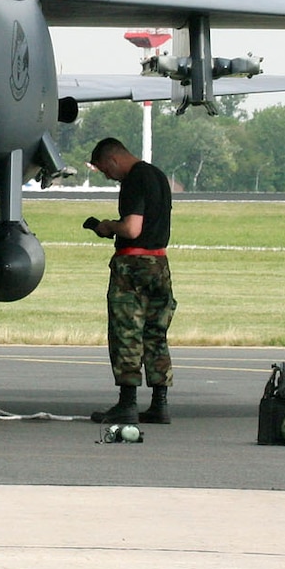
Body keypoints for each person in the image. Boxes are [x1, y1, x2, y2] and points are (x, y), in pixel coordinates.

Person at [84, 137, 176, 426]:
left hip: (132, 265)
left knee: (127, 333)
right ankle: (159, 403)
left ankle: (127, 403)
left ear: (113, 159)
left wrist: (108, 226)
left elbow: (132, 228)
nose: (109, 176)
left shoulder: (134, 179)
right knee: (155, 334)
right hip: (159, 263)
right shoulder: (158, 176)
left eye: (105, 170)